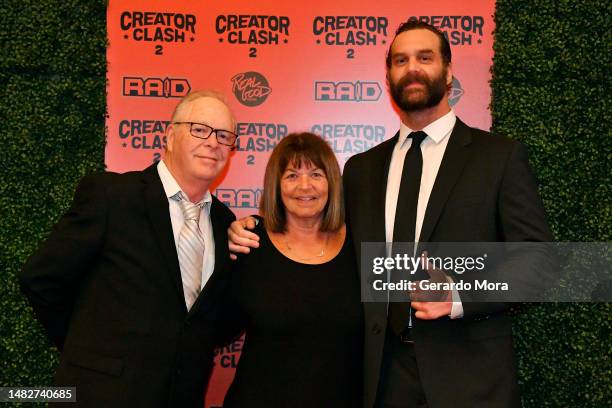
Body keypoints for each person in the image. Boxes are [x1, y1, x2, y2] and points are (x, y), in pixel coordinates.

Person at [229, 20, 554, 408]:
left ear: (448, 72)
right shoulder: (363, 169)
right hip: (380, 382)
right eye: (400, 60)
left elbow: (541, 262)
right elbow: (320, 235)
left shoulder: (498, 157)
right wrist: (254, 228)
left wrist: (458, 294)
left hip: (470, 381)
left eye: (424, 57)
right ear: (389, 77)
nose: (412, 68)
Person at [20, 90, 238, 407]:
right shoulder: (112, 196)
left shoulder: (223, 221)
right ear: (170, 136)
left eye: (224, 135)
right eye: (199, 129)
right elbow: (41, 279)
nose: (213, 142)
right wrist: (87, 351)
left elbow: (207, 320)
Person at [218, 133, 363, 407]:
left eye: (316, 175)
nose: (304, 186)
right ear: (276, 185)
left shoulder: (360, 246)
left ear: (332, 183)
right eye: (292, 176)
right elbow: (219, 327)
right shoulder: (250, 243)